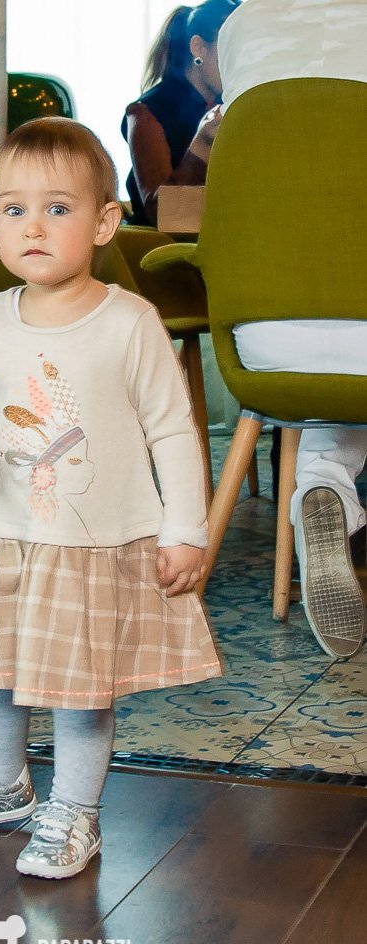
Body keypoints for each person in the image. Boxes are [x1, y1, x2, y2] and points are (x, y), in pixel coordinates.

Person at [0, 118, 222, 880]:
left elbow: (172, 429)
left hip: (90, 544)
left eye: (57, 208)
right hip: (0, 530)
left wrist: (184, 529)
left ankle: (74, 809)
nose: (33, 227)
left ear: (104, 222)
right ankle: (1, 782)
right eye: (14, 209)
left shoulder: (128, 322)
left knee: (80, 689)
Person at [217, 0, 367, 659]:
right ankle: (326, 482)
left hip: (261, 338)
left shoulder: (241, 25)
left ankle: (323, 481)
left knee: (328, 361)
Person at [121, 0, 240, 227]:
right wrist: (203, 143)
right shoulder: (146, 112)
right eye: (230, 51)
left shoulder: (232, 106)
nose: (239, 64)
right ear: (198, 48)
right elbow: (162, 214)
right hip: (163, 245)